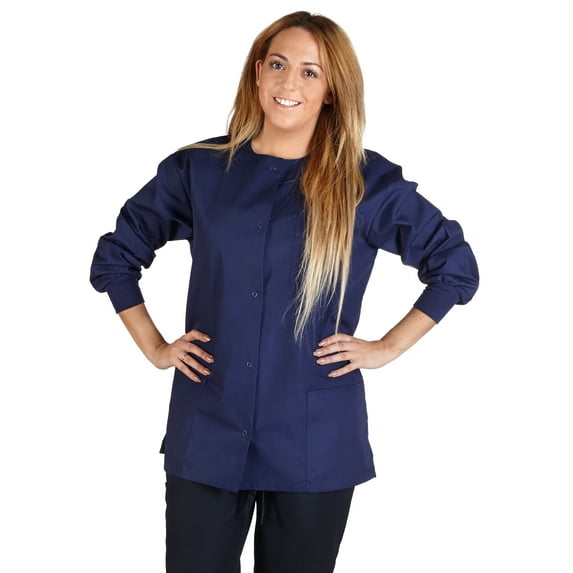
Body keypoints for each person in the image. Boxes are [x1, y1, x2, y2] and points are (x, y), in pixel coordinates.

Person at [90, 10, 479, 573]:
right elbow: (116, 256)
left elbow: (455, 266)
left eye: (309, 72)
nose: (288, 83)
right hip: (209, 426)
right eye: (277, 64)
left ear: (331, 91)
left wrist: (386, 348)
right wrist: (155, 347)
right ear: (257, 73)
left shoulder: (367, 184)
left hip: (314, 439)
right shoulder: (198, 170)